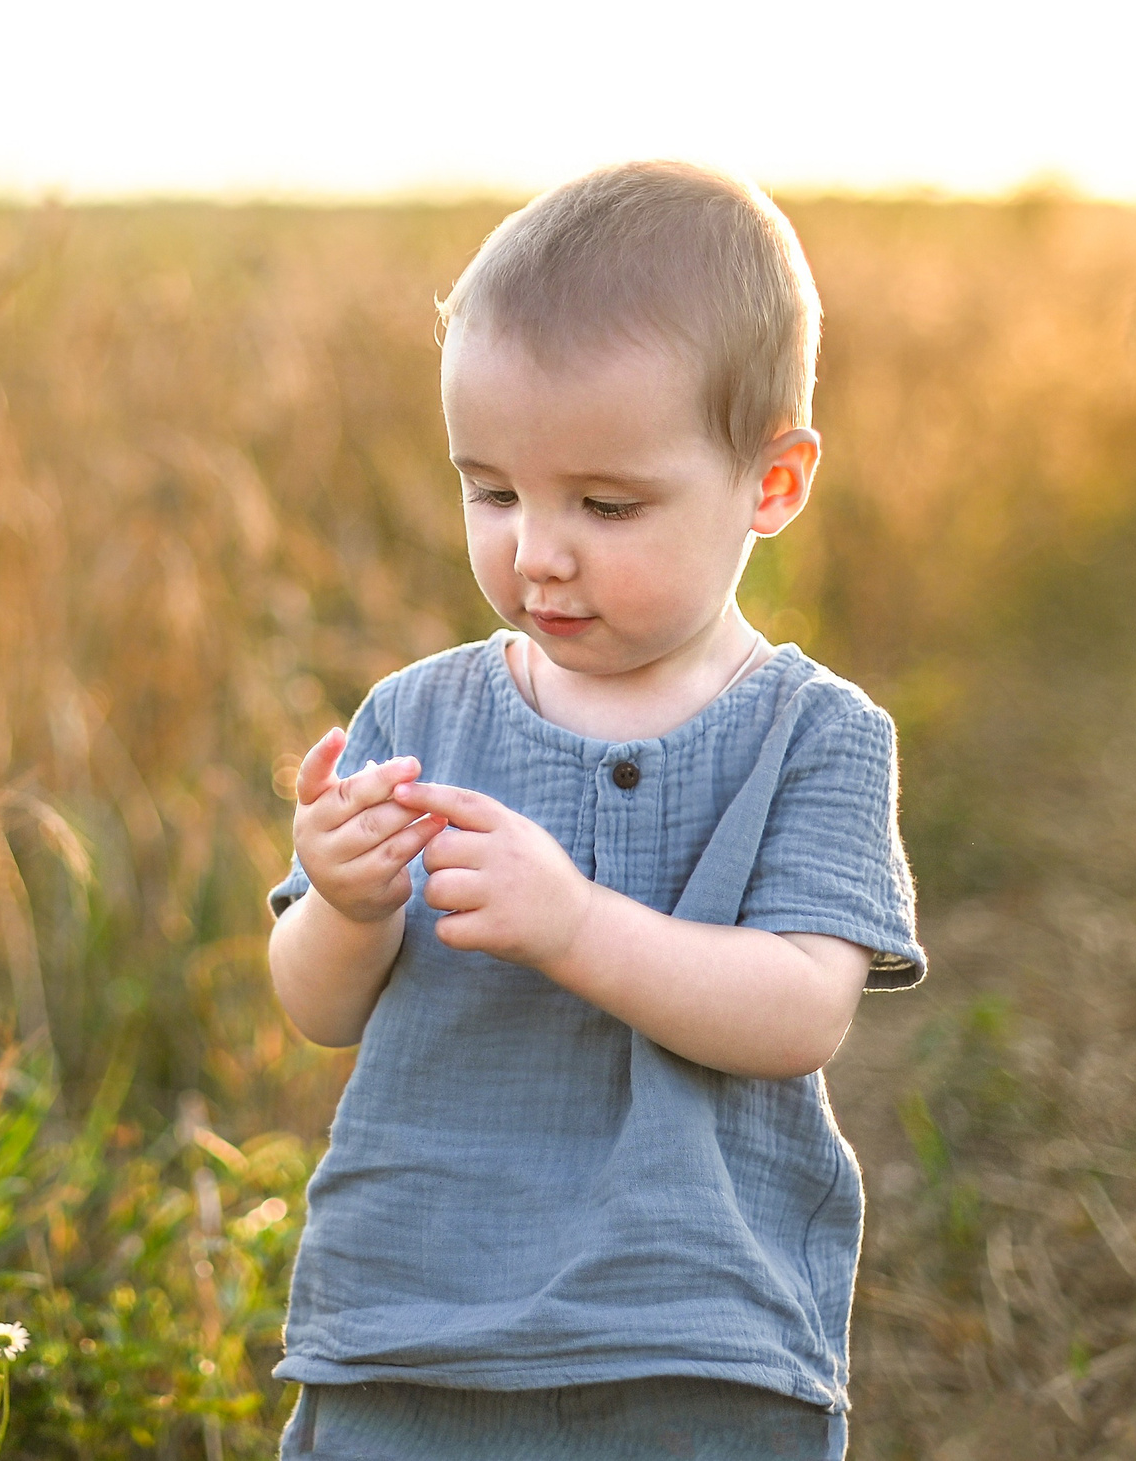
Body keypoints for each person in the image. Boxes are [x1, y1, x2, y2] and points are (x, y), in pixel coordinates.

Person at [266, 161, 925, 1459]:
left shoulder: (815, 735)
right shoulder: (419, 713)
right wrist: (343, 901)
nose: (537, 549)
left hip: (696, 1344)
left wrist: (572, 924)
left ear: (773, 485)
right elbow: (317, 1005)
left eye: (606, 504)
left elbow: (800, 1010)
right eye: (493, 489)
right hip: (411, 1326)